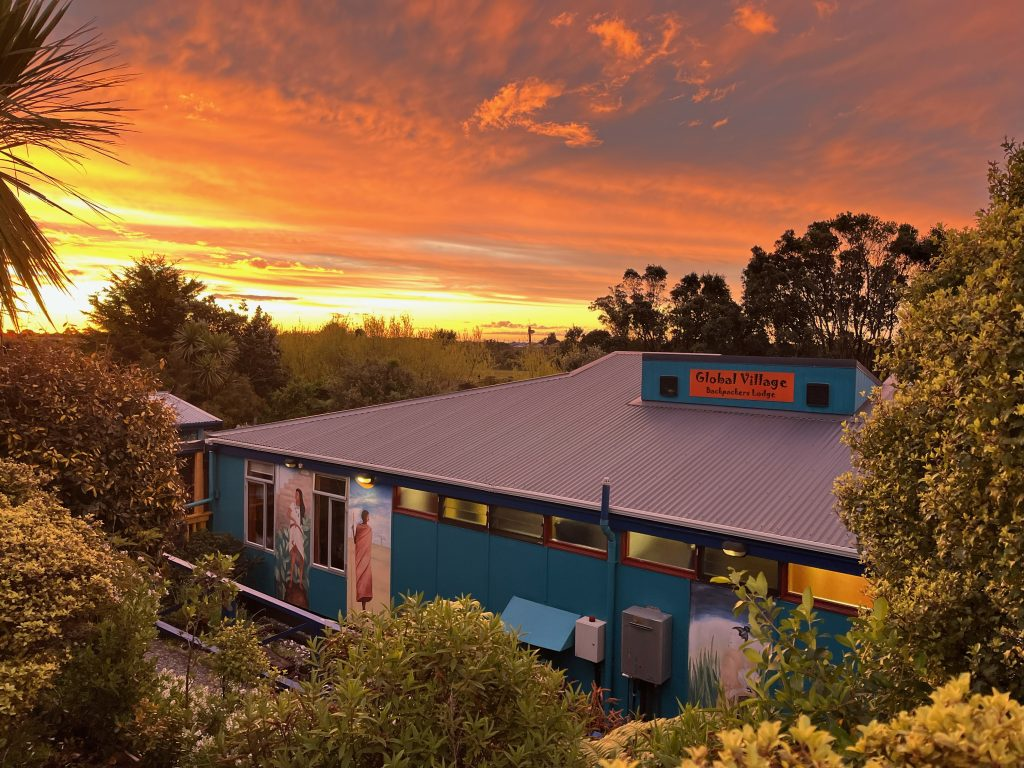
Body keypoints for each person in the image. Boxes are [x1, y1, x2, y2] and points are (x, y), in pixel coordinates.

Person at [353, 508, 373, 610]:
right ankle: (363, 606)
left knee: (365, 580)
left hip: (365, 558)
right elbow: (356, 541)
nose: (369, 518)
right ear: (365, 517)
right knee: (361, 580)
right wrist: (353, 531)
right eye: (368, 516)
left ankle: (364, 607)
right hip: (360, 558)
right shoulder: (360, 527)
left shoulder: (368, 529)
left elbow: (366, 544)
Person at [288, 488, 306, 589]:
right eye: (295, 494)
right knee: (293, 557)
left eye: (297, 495)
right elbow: (288, 514)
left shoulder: (302, 508)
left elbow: (302, 521)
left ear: (300, 496)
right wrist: (294, 520)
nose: (296, 496)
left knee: (302, 558)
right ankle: (291, 581)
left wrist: (299, 525)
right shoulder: (292, 505)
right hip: (293, 531)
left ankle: (300, 582)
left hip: (300, 532)